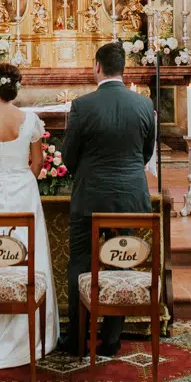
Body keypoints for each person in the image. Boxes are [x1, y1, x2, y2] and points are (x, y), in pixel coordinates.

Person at [60, 40, 156, 357]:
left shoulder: (82, 106)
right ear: (123, 68)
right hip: (129, 196)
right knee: (121, 262)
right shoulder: (144, 105)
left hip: (90, 196)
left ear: (97, 67)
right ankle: (111, 340)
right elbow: (146, 153)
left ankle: (76, 339)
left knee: (80, 263)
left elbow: (69, 158)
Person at [0, 63, 59, 370]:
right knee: (29, 253)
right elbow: (39, 161)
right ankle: (30, 330)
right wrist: (22, 179)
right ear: (16, 88)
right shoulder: (29, 119)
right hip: (24, 191)